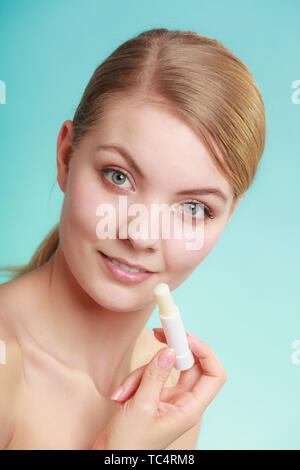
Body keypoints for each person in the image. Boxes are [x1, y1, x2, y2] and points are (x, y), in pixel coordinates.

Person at [0, 28, 266, 450]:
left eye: (194, 208)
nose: (141, 234)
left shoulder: (169, 402)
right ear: (67, 156)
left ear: (227, 219)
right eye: (118, 177)